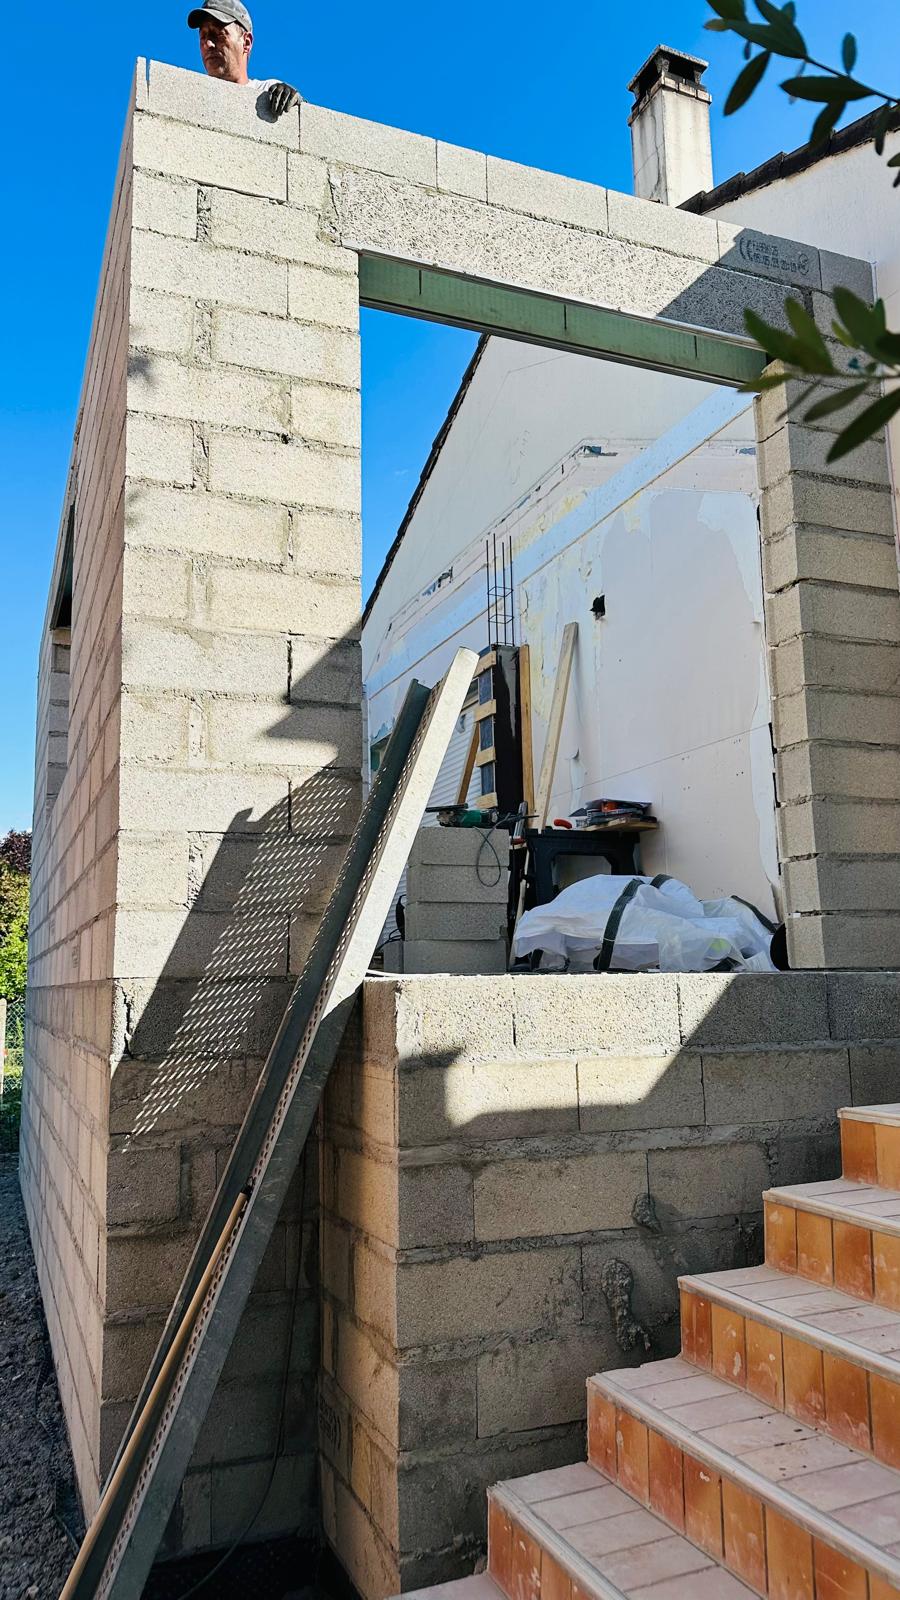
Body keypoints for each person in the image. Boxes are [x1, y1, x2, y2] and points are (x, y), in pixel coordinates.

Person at [188, 0, 300, 118]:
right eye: (203, 37)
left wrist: (296, 104)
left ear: (246, 42)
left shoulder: (267, 92)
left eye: (219, 34)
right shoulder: (193, 97)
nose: (208, 44)